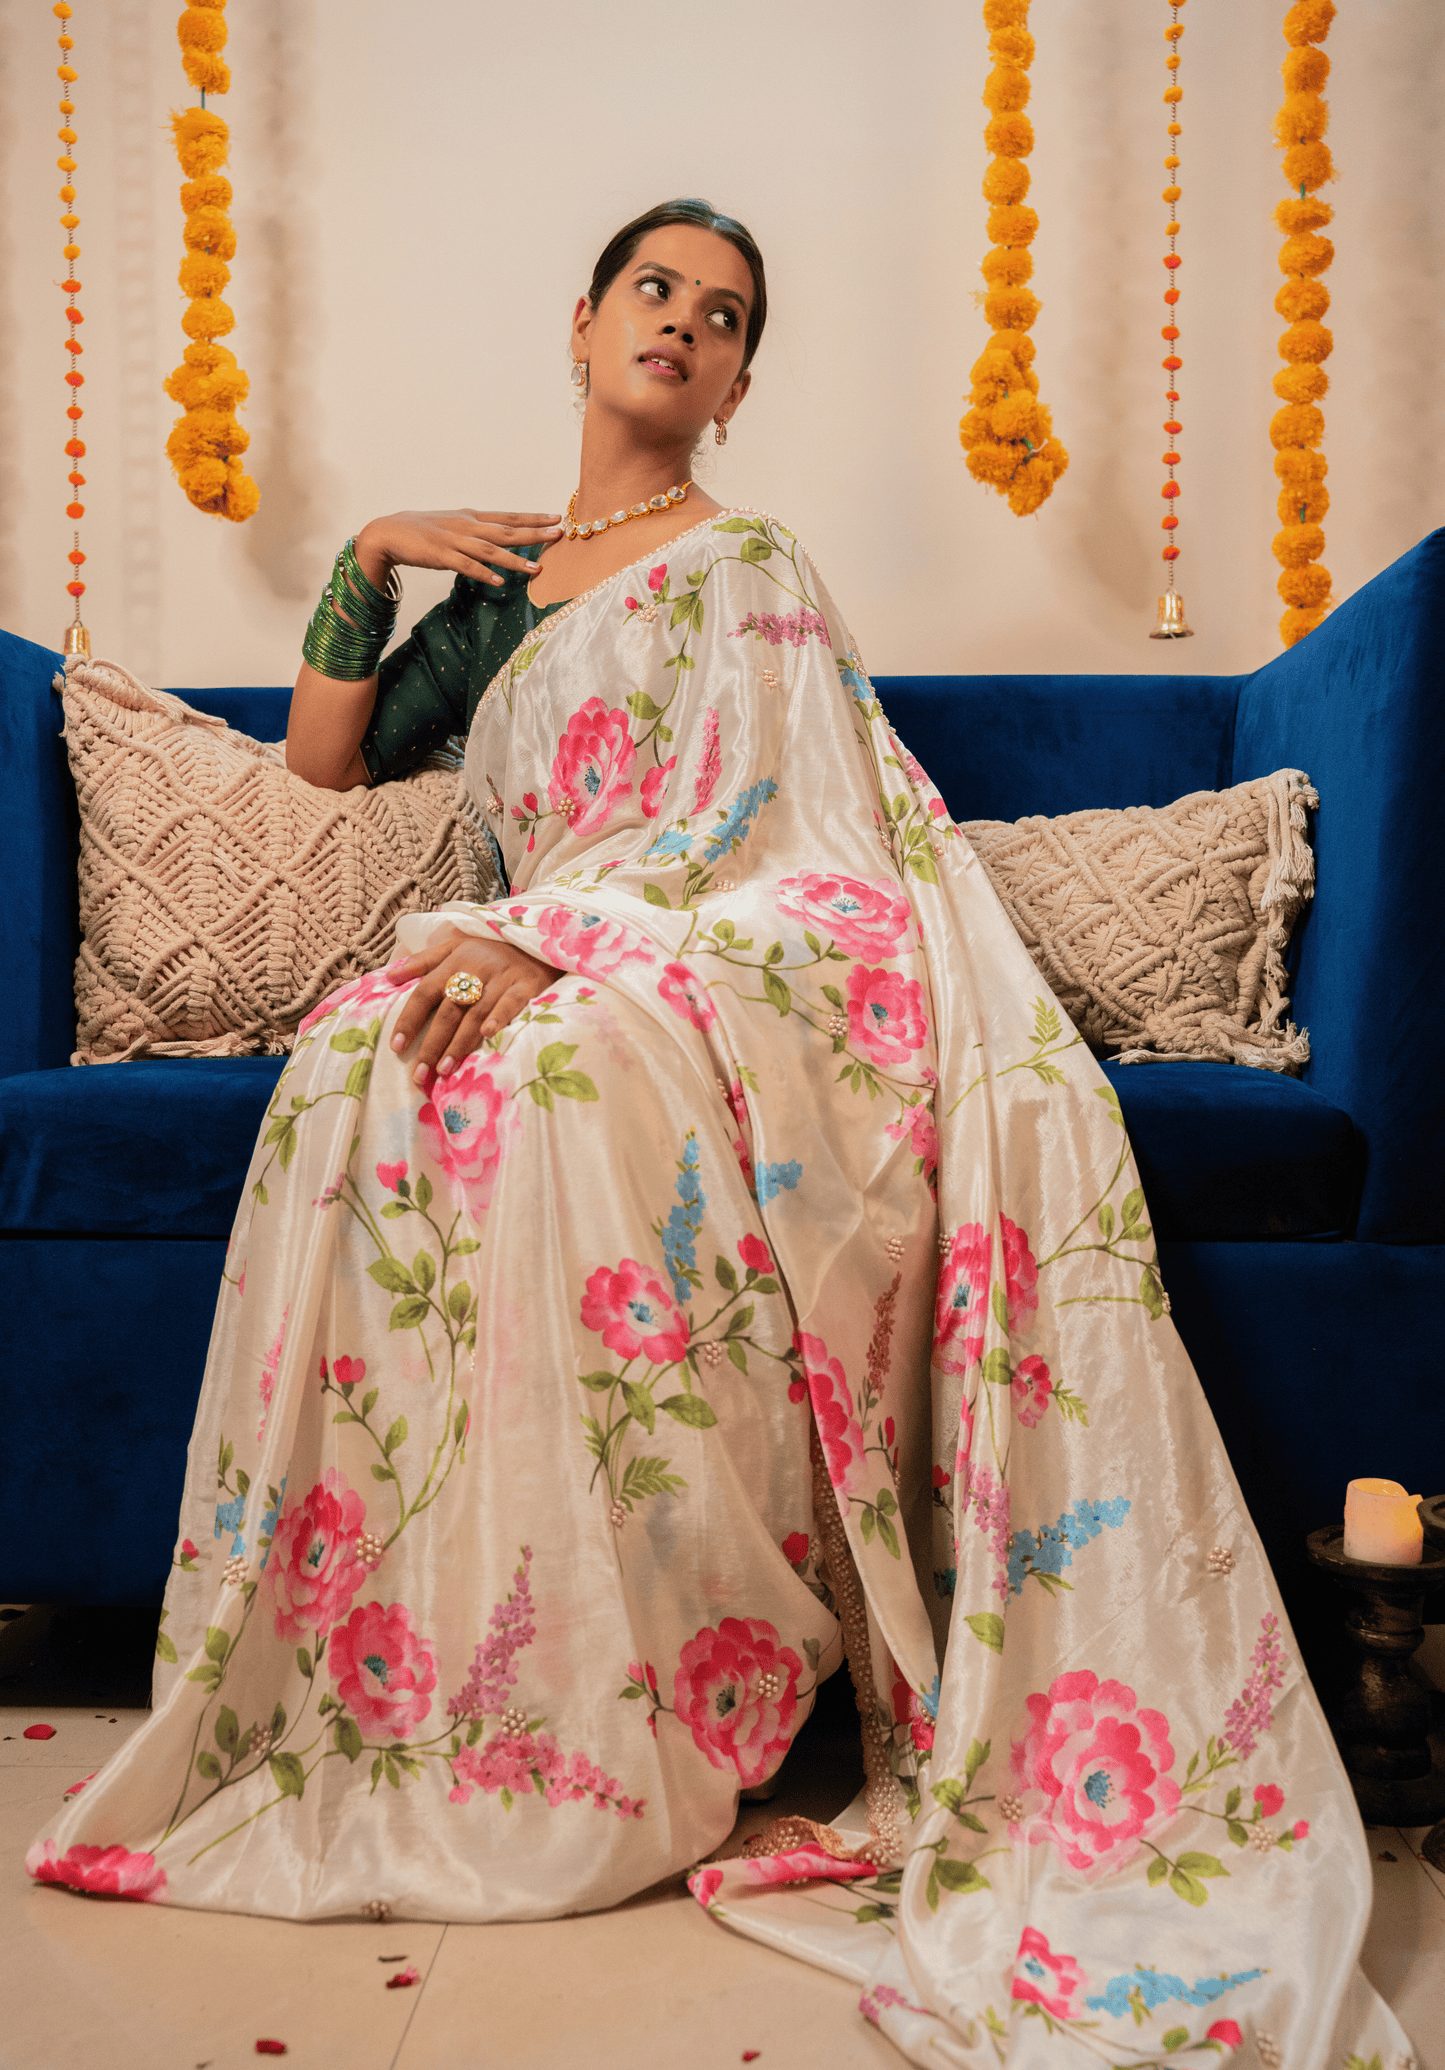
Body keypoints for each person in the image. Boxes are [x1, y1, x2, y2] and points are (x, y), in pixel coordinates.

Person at [28, 199, 1410, 2069]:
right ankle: (456, 1688)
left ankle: (636, 1699)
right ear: (583, 320)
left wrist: (572, 932)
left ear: (740, 384)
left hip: (721, 954)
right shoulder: (494, 596)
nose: (683, 322)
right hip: (554, 948)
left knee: (559, 1078)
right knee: (360, 1065)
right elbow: (321, 768)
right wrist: (365, 558)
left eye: (725, 314)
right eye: (655, 289)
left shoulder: (747, 559)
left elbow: (798, 838)